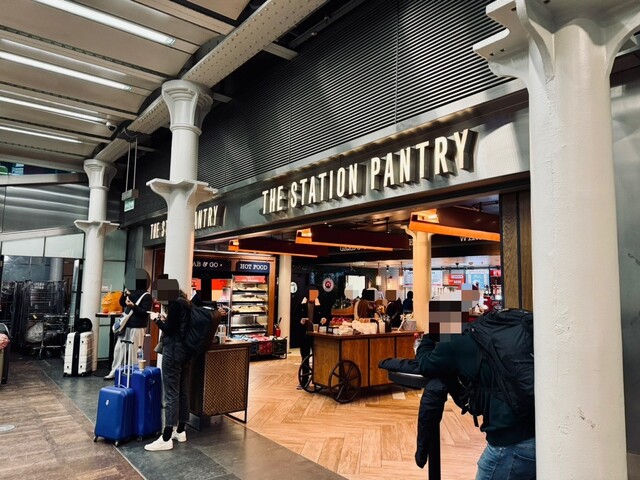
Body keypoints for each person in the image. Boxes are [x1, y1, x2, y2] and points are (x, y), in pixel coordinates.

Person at [416, 332, 536, 479]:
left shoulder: (455, 342)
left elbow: (425, 364)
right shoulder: (511, 331)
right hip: (541, 433)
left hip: (508, 443)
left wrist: (428, 338)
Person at [145, 278, 192, 452]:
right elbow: (179, 326)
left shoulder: (175, 304)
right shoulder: (186, 303)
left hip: (173, 351)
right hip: (186, 352)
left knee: (171, 393)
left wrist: (156, 320)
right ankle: (181, 430)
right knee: (183, 390)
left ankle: (166, 437)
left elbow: (169, 330)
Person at [104, 270, 151, 380]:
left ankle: (133, 374)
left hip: (138, 327)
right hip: (125, 326)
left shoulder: (146, 296)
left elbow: (144, 313)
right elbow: (121, 303)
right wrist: (124, 294)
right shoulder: (131, 292)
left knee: (134, 352)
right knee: (118, 350)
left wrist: (133, 306)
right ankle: (115, 371)